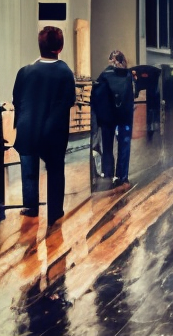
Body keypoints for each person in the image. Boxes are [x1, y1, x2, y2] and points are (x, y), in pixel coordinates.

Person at [11, 26, 77, 225]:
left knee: (29, 169)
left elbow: (16, 99)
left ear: (39, 46)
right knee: (55, 170)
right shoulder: (65, 72)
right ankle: (55, 211)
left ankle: (31, 207)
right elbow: (70, 100)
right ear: (60, 47)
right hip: (53, 132)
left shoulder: (25, 71)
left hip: (28, 129)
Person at [92, 50, 136, 187]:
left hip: (108, 119)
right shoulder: (129, 75)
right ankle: (122, 176)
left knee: (107, 147)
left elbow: (96, 96)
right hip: (125, 117)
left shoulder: (104, 75)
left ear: (111, 60)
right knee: (124, 146)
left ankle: (109, 174)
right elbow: (132, 96)